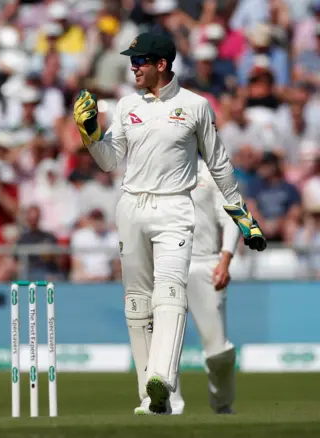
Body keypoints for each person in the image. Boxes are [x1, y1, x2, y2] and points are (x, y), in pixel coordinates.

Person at [72, 32, 266, 415]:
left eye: (140, 60)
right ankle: (151, 397)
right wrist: (90, 133)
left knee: (169, 291)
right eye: (132, 60)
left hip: (175, 208)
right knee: (137, 302)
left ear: (162, 64)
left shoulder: (195, 106)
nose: (133, 66)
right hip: (131, 206)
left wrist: (243, 217)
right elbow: (111, 161)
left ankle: (162, 377)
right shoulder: (127, 105)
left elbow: (219, 164)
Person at [140, 157, 241, 415]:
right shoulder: (154, 169)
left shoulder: (213, 173)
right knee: (164, 344)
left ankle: (222, 405)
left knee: (218, 351)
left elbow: (234, 214)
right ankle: (169, 406)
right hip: (165, 265)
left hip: (204, 263)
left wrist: (225, 258)